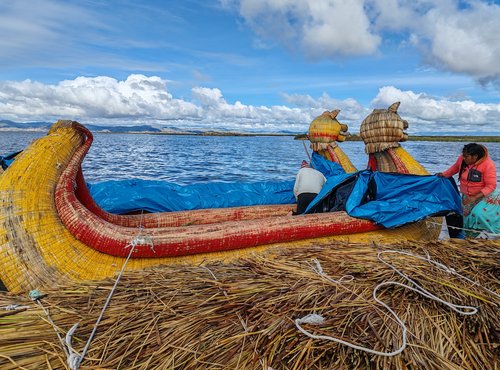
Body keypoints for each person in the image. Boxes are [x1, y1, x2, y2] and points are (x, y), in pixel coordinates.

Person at [437, 143, 498, 237]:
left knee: (478, 215)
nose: (463, 158)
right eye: (463, 156)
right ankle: (471, 240)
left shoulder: (488, 165)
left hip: (485, 196)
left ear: (475, 156)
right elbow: (454, 169)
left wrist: (474, 197)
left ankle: (493, 235)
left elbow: (491, 185)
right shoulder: (462, 160)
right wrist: (443, 175)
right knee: (467, 220)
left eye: (466, 156)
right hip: (467, 196)